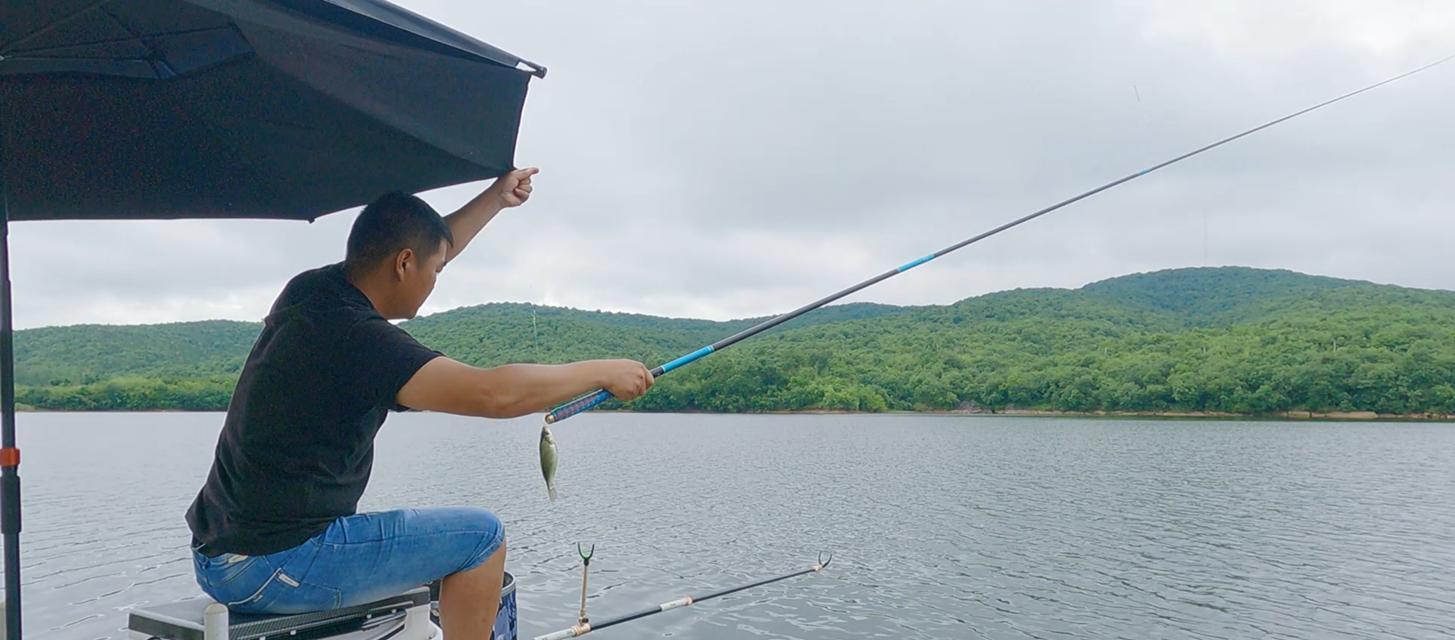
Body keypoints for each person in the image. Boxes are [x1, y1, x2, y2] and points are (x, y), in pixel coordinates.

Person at [185, 168, 654, 638]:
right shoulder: (362, 341)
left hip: (216, 557)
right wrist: (602, 371)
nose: (436, 281)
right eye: (436, 270)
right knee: (481, 538)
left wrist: (494, 199)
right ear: (404, 263)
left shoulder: (308, 292)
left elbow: (430, 243)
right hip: (275, 567)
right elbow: (493, 393)